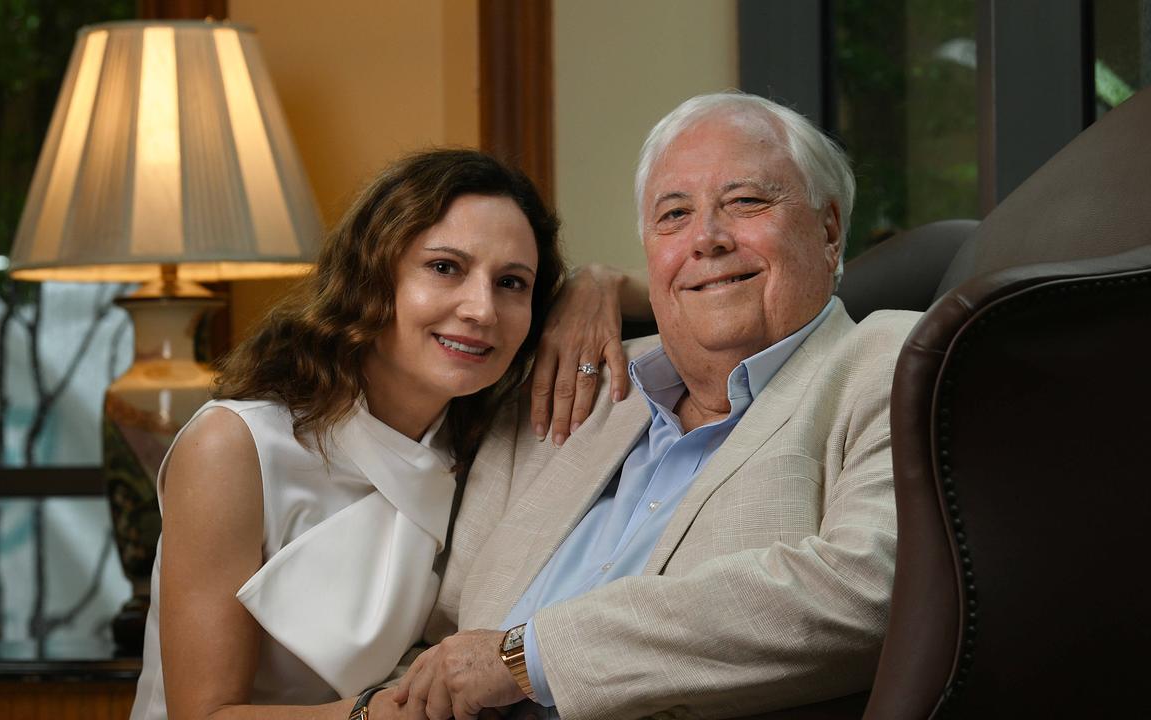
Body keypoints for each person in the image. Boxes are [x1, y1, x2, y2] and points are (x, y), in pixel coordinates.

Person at [389, 91, 921, 720]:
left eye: (746, 202)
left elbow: (872, 589)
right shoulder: (574, 382)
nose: (707, 239)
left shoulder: (891, 361)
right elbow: (435, 635)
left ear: (828, 230)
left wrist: (525, 660)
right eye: (674, 215)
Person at [128, 149, 566, 720]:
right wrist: (372, 714)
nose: (482, 309)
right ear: (372, 275)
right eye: (444, 268)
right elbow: (204, 715)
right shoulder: (234, 447)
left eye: (512, 282)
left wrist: (599, 290)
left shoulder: (495, 442)